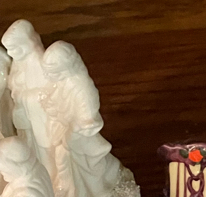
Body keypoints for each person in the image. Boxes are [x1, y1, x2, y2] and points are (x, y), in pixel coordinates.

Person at [40, 43, 122, 197]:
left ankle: (94, 191)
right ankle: (69, 188)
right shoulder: (59, 83)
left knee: (89, 168)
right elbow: (57, 105)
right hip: (67, 135)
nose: (48, 77)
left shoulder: (82, 88)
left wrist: (73, 130)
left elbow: (88, 118)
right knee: (62, 158)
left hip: (81, 137)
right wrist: (50, 106)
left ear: (66, 68)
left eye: (52, 72)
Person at [1, 23, 56, 183]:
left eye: (14, 49)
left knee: (44, 151)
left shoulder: (38, 63)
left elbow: (45, 93)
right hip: (23, 117)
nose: (10, 53)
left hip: (38, 119)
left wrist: (23, 97)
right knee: (28, 145)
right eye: (9, 49)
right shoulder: (18, 63)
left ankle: (49, 176)